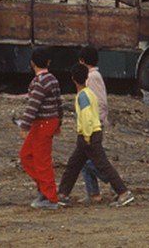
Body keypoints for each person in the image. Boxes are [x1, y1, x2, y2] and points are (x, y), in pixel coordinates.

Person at [57, 63, 134, 208]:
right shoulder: (89, 93)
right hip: (92, 134)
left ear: (73, 79)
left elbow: (86, 117)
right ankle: (62, 194)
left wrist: (86, 137)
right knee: (74, 165)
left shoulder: (82, 96)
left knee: (100, 165)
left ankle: (123, 192)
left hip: (88, 136)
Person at [17, 47, 63, 210]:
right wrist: (59, 123)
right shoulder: (52, 80)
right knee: (28, 155)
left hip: (41, 124)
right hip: (49, 122)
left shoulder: (38, 82)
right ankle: (45, 190)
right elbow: (59, 103)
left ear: (32, 63)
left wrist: (24, 126)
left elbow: (33, 106)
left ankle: (50, 197)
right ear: (48, 62)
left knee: (39, 160)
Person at [77, 45, 110, 204]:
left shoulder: (93, 77)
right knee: (86, 159)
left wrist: (98, 122)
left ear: (83, 61)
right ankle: (94, 194)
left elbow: (101, 103)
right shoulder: (92, 76)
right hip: (92, 124)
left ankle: (108, 178)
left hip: (94, 126)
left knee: (90, 161)